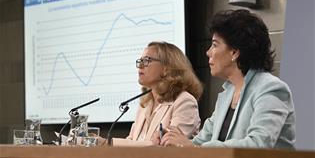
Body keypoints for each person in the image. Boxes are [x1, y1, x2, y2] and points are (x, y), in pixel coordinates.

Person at [160, 9, 296, 149]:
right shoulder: (227, 93)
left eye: (214, 44)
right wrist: (173, 141)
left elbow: (259, 144)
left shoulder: (271, 88)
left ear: (234, 52)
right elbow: (200, 143)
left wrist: (193, 148)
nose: (208, 52)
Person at [112, 41, 203, 146]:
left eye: (147, 60)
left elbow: (168, 147)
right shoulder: (146, 103)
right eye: (140, 60)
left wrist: (109, 143)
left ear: (167, 68)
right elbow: (131, 142)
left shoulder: (184, 102)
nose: (140, 65)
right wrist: (106, 144)